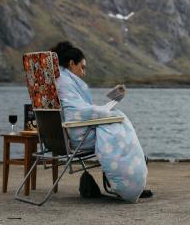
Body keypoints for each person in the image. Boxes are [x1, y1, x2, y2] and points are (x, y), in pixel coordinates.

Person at [50, 41, 151, 202]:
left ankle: (125, 182)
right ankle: (129, 185)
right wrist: (107, 110)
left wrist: (106, 107)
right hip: (77, 137)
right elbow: (77, 112)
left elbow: (78, 109)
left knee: (116, 127)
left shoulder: (56, 81)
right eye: (82, 67)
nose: (83, 73)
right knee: (120, 132)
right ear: (71, 64)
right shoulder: (65, 83)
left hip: (59, 137)